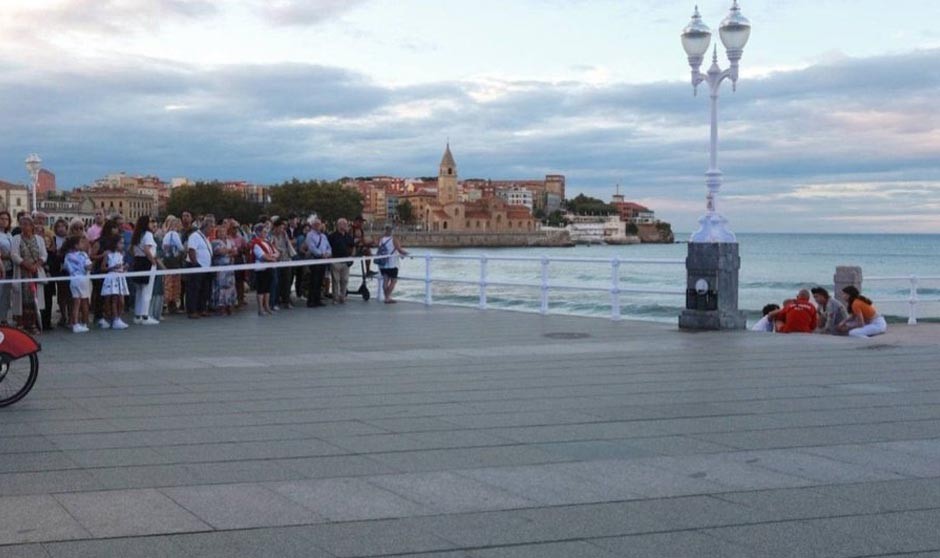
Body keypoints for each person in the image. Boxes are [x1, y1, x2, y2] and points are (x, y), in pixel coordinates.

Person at [10, 215, 47, 334]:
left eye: (26, 224)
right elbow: (14, 254)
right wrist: (26, 265)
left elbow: (43, 255)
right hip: (22, 272)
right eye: (22, 224)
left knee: (34, 299)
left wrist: (36, 265)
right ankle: (22, 324)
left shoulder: (39, 239)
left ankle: (33, 324)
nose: (24, 226)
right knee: (22, 299)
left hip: (35, 272)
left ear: (32, 226)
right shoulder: (16, 238)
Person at [130, 215, 161, 325]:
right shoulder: (147, 234)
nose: (153, 224)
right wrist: (153, 261)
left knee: (139, 290)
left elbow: (132, 250)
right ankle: (145, 316)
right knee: (147, 291)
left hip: (138, 261)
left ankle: (138, 315)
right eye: (151, 222)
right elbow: (147, 249)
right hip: (147, 262)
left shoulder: (137, 235)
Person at [185, 214, 214, 319]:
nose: (212, 230)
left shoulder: (206, 238)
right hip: (196, 266)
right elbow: (191, 250)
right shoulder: (195, 236)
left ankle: (202, 309)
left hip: (205, 268)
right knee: (194, 289)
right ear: (205, 226)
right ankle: (192, 310)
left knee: (204, 289)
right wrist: (195, 264)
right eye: (211, 227)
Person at [62, 236, 92, 333]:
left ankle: (75, 323)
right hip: (82, 280)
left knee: (76, 302)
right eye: (81, 243)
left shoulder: (67, 256)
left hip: (73, 280)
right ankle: (80, 323)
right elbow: (88, 267)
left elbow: (66, 267)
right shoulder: (83, 254)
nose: (83, 244)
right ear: (76, 245)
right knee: (82, 301)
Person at [100, 235, 130, 330]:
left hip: (120, 276)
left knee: (121, 300)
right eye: (120, 243)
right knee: (113, 299)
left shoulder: (122, 254)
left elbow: (122, 266)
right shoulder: (108, 254)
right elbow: (103, 267)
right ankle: (114, 318)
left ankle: (118, 317)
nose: (122, 245)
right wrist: (112, 267)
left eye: (123, 243)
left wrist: (125, 268)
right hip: (112, 276)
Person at [250, 223, 278, 316]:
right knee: (261, 289)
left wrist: (273, 257)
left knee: (267, 289)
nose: (266, 233)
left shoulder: (267, 242)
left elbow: (276, 252)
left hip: (270, 268)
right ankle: (260, 309)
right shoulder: (255, 243)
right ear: (258, 232)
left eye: (266, 231)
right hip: (261, 268)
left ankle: (267, 306)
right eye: (264, 231)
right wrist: (271, 258)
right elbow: (261, 256)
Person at [303, 217, 331, 308]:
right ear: (313, 226)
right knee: (313, 280)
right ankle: (311, 300)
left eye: (319, 224)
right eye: (316, 225)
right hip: (314, 259)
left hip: (323, 260)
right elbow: (312, 248)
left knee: (320, 280)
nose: (318, 226)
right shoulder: (310, 235)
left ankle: (317, 299)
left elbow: (328, 247)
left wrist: (327, 253)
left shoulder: (323, 236)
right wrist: (321, 254)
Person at [376, 225, 408, 304]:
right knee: (393, 281)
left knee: (385, 280)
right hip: (392, 264)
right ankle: (387, 297)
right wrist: (409, 254)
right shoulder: (393, 239)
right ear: (392, 231)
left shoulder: (381, 239)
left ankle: (386, 297)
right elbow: (400, 250)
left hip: (383, 264)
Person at [211, 223, 238, 316]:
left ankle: (229, 305)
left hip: (230, 269)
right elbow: (219, 251)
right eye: (220, 232)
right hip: (220, 269)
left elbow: (235, 251)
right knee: (220, 288)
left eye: (224, 231)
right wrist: (229, 251)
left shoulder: (230, 241)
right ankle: (220, 307)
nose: (222, 233)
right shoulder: (215, 242)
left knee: (230, 287)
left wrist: (228, 251)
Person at [328, 218, 356, 304]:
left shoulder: (348, 236)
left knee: (345, 280)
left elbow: (353, 246)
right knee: (335, 280)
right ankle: (335, 298)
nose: (345, 226)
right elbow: (328, 247)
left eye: (345, 224)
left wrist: (352, 256)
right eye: (343, 224)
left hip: (345, 261)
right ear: (338, 225)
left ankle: (343, 296)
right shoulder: (332, 236)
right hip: (335, 261)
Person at [270, 218, 296, 309]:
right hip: (276, 261)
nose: (282, 229)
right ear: (276, 227)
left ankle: (286, 301)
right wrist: (277, 251)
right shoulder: (271, 236)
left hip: (286, 259)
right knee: (276, 282)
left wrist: (291, 256)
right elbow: (271, 246)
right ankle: (275, 302)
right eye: (280, 227)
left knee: (287, 281)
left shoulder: (284, 234)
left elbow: (288, 246)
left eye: (283, 228)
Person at [161, 215, 184, 314]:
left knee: (168, 283)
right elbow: (180, 247)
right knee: (174, 284)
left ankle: (167, 304)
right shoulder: (174, 234)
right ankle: (172, 304)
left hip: (167, 262)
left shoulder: (166, 235)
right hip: (174, 262)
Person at [0, 211, 14, 325]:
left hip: (10, 267)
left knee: (6, 295)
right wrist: (8, 255)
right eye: (2, 218)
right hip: (1, 267)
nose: (4, 221)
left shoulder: (9, 234)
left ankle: (3, 318)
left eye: (6, 219)